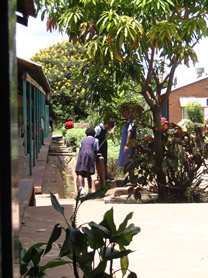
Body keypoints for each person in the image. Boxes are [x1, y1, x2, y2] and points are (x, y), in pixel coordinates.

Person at [75, 128, 99, 196]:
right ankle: (90, 190)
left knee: (80, 172)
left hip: (81, 154)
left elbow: (82, 147)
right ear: (94, 134)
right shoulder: (96, 140)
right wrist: (95, 157)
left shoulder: (83, 139)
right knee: (88, 172)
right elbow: (96, 149)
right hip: (90, 154)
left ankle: (81, 189)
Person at [117, 104, 136, 180]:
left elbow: (129, 132)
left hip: (129, 145)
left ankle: (132, 180)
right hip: (126, 144)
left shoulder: (131, 121)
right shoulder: (126, 121)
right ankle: (130, 179)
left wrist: (127, 145)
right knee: (127, 162)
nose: (123, 114)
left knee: (130, 161)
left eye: (124, 112)